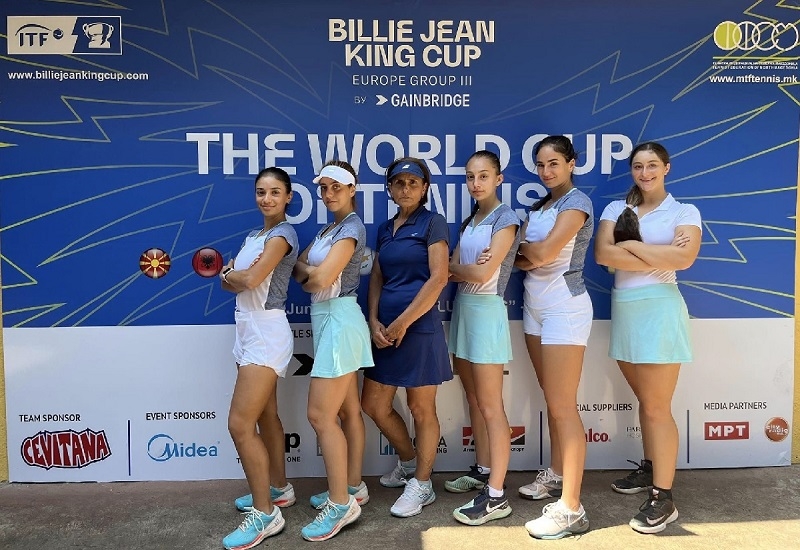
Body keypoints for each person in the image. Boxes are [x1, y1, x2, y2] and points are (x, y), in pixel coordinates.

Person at [594, 141, 701, 534]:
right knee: (647, 401)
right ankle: (651, 468)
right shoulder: (616, 209)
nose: (645, 173)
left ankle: (663, 498)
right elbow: (604, 256)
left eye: (652, 165)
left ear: (666, 168)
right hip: (626, 310)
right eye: (638, 166)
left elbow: (683, 259)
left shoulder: (684, 211)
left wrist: (632, 245)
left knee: (657, 407)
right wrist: (659, 251)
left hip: (660, 310)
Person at [360, 157, 452, 518]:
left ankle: (422, 484)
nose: (406, 188)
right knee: (374, 405)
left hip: (419, 328)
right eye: (399, 182)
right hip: (384, 330)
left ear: (425, 188)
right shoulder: (385, 229)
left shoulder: (433, 222)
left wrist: (402, 323)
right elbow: (377, 277)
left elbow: (439, 277)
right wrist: (373, 320)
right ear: (390, 188)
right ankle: (410, 462)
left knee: (421, 408)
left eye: (413, 182)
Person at [513, 136, 593, 539]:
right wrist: (529, 250)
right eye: (541, 165)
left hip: (565, 306)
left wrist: (525, 248)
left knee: (563, 406)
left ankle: (572, 509)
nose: (547, 172)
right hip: (534, 307)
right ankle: (558, 474)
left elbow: (540, 256)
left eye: (554, 163)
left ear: (571, 163)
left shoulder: (577, 203)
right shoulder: (539, 208)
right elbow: (519, 260)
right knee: (553, 400)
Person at [293, 160, 374, 541]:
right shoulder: (328, 230)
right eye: (324, 188)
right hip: (330, 320)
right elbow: (299, 267)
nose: (328, 194)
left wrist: (312, 276)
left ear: (352, 190)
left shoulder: (352, 228)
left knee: (320, 415)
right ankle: (353, 487)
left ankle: (340, 503)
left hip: (340, 321)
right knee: (347, 411)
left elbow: (319, 278)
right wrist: (311, 275)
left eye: (336, 187)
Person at [220, 167, 299, 550]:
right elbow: (231, 283)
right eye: (261, 192)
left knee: (239, 424)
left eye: (275, 192)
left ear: (288, 197)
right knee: (266, 415)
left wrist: (230, 272)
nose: (267, 199)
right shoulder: (254, 236)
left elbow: (248, 281)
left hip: (266, 331)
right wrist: (234, 275)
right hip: (245, 328)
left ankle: (265, 513)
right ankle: (279, 489)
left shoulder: (283, 235)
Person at [447, 150, 519, 526]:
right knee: (474, 399)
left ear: (498, 179)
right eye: (470, 177)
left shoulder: (506, 219)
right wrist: (463, 268)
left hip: (487, 312)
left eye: (484, 176)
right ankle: (483, 469)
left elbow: (482, 274)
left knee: (491, 406)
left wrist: (462, 268)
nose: (476, 183)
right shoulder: (471, 220)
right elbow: (455, 269)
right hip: (463, 310)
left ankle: (496, 496)